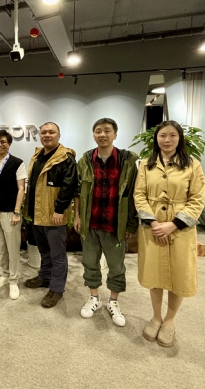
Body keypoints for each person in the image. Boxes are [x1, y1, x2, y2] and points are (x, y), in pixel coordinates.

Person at [133, 120, 205, 348]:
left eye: (172, 135)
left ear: (179, 138)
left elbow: (197, 199)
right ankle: (156, 317)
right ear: (156, 138)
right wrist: (155, 223)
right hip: (152, 227)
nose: (167, 140)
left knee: (178, 274)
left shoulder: (192, 165)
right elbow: (139, 195)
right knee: (154, 273)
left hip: (181, 229)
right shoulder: (146, 164)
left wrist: (173, 225)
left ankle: (170, 320)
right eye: (163, 135)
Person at [74, 118, 138, 326]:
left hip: (115, 224)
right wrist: (77, 216)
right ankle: (94, 297)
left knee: (116, 266)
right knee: (89, 262)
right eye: (98, 131)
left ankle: (113, 301)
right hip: (90, 223)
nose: (102, 134)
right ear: (94, 135)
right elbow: (78, 191)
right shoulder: (85, 161)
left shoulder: (127, 162)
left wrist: (131, 224)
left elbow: (134, 194)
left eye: (107, 131)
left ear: (115, 135)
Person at [24, 122, 77, 308]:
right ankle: (45, 277)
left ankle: (57, 288)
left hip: (54, 215)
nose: (47, 135)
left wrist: (59, 210)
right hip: (37, 213)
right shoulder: (37, 155)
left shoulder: (66, 158)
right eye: (44, 132)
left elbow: (69, 186)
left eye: (51, 132)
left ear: (58, 135)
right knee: (44, 250)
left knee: (57, 254)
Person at [0, 129, 26, 300]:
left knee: (12, 247)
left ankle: (13, 280)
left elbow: (21, 189)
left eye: (3, 142)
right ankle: (4, 273)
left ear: (9, 144)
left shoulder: (18, 163)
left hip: (11, 212)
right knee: (0, 246)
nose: (0, 144)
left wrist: (17, 211)